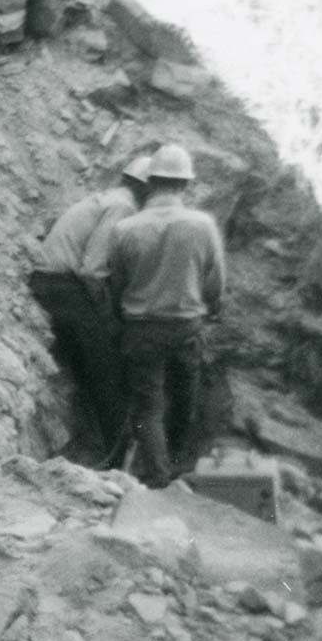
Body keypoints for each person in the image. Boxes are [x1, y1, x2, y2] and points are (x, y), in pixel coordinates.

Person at [107, 144, 225, 487]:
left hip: (141, 329)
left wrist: (122, 318)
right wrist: (211, 310)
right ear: (185, 185)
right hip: (186, 326)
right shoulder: (203, 226)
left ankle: (157, 478)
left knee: (148, 407)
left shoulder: (126, 229)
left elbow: (117, 284)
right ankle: (175, 469)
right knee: (184, 400)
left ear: (150, 181)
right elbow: (215, 281)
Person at [28, 156, 152, 457]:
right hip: (61, 285)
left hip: (47, 281)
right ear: (148, 190)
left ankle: (99, 440)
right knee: (108, 364)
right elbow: (92, 270)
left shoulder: (106, 198)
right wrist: (108, 313)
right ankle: (117, 451)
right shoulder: (124, 208)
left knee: (93, 358)